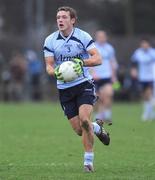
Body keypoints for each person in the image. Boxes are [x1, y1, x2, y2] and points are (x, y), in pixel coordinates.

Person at [43, 6, 110, 172]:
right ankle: (97, 128)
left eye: (64, 17)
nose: (60, 20)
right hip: (64, 89)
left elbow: (98, 58)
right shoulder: (50, 40)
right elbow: (49, 66)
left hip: (83, 84)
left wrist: (81, 62)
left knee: (85, 120)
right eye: (58, 17)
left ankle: (88, 162)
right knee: (80, 130)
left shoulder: (83, 36)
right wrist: (56, 72)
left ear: (72, 20)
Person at [91, 30, 118, 126]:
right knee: (96, 98)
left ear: (105, 37)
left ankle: (107, 115)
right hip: (95, 77)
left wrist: (114, 76)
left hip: (107, 76)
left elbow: (112, 62)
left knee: (109, 94)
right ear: (96, 37)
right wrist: (93, 73)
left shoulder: (109, 48)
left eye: (103, 36)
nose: (101, 38)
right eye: (99, 36)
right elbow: (89, 62)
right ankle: (97, 116)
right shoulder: (93, 47)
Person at [131, 38, 155, 121]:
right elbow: (133, 62)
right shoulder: (138, 52)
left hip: (151, 77)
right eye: (143, 44)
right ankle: (150, 112)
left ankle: (146, 113)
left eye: (146, 44)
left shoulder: (152, 52)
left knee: (149, 94)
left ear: (149, 44)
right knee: (144, 96)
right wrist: (133, 70)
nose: (144, 45)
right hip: (142, 77)